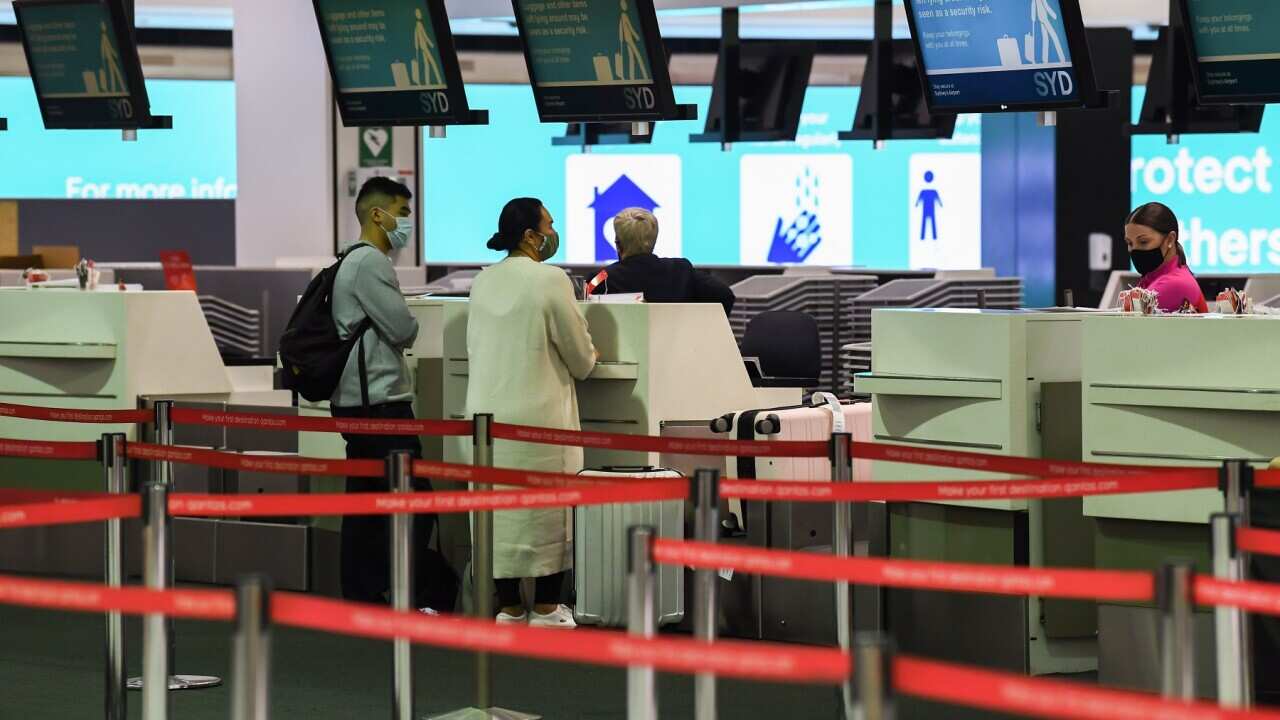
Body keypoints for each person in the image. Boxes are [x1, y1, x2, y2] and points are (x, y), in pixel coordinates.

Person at [467, 197, 597, 628]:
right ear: (530, 235)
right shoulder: (550, 279)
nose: (553, 233)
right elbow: (580, 358)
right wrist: (592, 354)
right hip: (539, 417)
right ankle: (545, 608)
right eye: (549, 225)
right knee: (547, 513)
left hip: (487, 417)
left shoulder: (483, 281)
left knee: (497, 513)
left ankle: (507, 608)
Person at [331, 177, 457, 613]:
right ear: (377, 214)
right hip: (380, 403)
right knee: (414, 501)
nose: (407, 222)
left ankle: (365, 596)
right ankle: (419, 594)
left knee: (366, 504)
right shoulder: (371, 263)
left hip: (357, 401)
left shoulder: (349, 259)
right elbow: (403, 328)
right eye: (402, 212)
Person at [596, 207, 736, 315]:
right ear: (653, 240)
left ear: (618, 244)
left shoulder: (602, 277)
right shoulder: (681, 270)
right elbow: (724, 295)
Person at [1124, 202, 1208, 313]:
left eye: (1143, 242)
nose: (1135, 249)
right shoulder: (1152, 278)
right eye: (1130, 243)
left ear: (1170, 240)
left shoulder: (1174, 284)